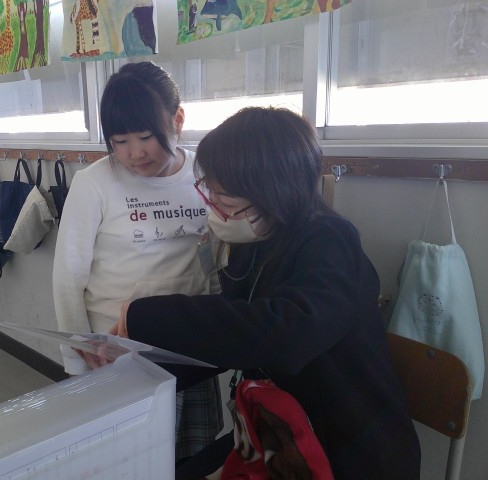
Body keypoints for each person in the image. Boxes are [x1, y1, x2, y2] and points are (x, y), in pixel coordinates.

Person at [110, 106, 422, 479]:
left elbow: (284, 333)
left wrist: (145, 317)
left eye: (225, 196)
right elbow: (233, 326)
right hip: (278, 432)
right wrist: (137, 360)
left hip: (346, 448)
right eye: (210, 189)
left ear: (273, 192)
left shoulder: (331, 241)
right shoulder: (257, 238)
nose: (214, 205)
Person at [51, 61, 223, 462]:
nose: (135, 153)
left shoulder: (204, 173)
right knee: (130, 461)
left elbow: (218, 255)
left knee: (191, 458)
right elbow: (68, 276)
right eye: (120, 141)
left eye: (146, 136)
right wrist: (76, 360)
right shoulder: (95, 184)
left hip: (188, 346)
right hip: (118, 356)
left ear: (177, 120)